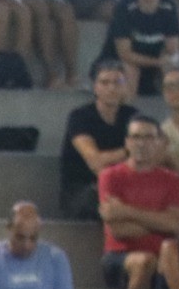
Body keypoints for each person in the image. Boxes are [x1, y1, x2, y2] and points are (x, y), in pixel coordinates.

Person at [100, 118, 179, 289]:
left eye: (149, 137)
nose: (142, 143)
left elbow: (174, 224)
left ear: (160, 143)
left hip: (165, 258)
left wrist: (127, 211)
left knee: (169, 260)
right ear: (127, 142)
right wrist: (157, 222)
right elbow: (117, 229)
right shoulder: (111, 176)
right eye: (136, 137)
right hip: (119, 257)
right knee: (145, 261)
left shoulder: (171, 180)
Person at [59, 61, 141, 221]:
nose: (111, 88)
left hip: (124, 187)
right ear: (95, 87)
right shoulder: (80, 116)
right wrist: (129, 150)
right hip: (82, 192)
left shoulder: (133, 116)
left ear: (125, 87)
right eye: (105, 82)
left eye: (118, 82)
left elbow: (151, 154)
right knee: (100, 196)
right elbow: (95, 162)